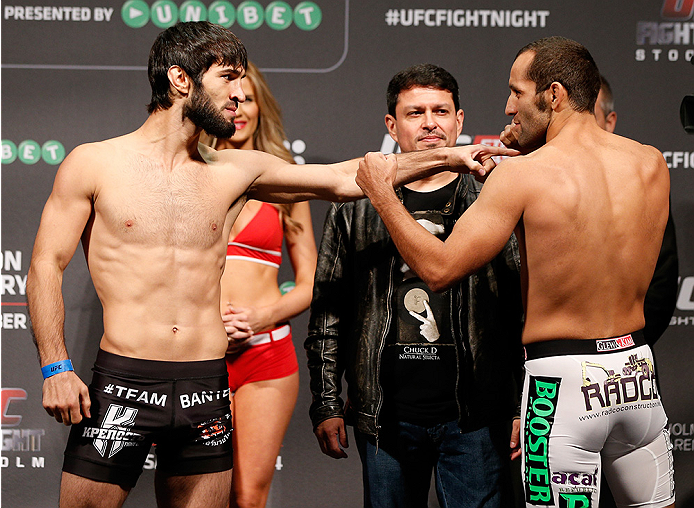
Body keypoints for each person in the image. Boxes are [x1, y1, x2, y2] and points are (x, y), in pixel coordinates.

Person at [26, 21, 513, 508]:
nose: (240, 95)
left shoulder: (237, 170)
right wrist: (55, 366)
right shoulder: (93, 164)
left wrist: (453, 156)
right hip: (126, 380)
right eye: (228, 79)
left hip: (205, 385)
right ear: (180, 80)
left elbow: (347, 178)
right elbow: (47, 263)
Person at [356, 37, 675, 508]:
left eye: (516, 93)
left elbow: (439, 269)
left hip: (560, 387)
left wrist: (382, 193)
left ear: (554, 94)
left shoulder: (524, 175)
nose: (507, 107)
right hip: (636, 375)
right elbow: (584, 213)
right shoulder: (650, 161)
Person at [306, 64, 524, 508]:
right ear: (392, 124)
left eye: (441, 111)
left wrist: (520, 404)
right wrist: (327, 402)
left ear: (459, 120)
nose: (429, 123)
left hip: (475, 415)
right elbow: (329, 311)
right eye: (415, 112)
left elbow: (518, 308)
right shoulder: (354, 206)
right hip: (385, 416)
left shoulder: (492, 195)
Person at [211, 62, 317, 508]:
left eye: (248, 99)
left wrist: (259, 318)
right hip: (199, 355)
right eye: (229, 98)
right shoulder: (190, 172)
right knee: (197, 495)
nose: (238, 108)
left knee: (248, 496)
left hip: (266, 354)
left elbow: (310, 282)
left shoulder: (286, 179)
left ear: (261, 108)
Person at [595, 75, 679, 345]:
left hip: (627, 360)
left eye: (589, 115)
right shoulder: (536, 180)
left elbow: (660, 285)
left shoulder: (643, 183)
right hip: (546, 360)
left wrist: (620, 347)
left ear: (610, 122)